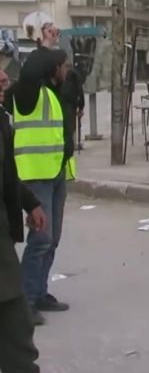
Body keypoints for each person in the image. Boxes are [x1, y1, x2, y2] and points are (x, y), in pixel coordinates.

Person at [8, 48, 74, 326]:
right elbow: (30, 70)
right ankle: (25, 301)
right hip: (35, 175)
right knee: (40, 240)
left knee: (52, 238)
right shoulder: (26, 94)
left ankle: (39, 291)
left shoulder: (54, 92)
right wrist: (47, 49)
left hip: (56, 173)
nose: (67, 69)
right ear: (52, 67)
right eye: (63, 65)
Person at [0, 67, 46, 372]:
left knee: (17, 328)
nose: (4, 79)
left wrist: (30, 203)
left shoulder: (2, 120)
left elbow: (8, 175)